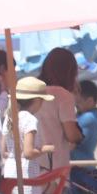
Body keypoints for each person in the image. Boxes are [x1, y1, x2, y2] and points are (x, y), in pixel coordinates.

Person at [35, 48, 84, 176]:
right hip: (54, 171)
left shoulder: (31, 93)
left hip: (31, 170)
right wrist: (80, 135)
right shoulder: (62, 95)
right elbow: (71, 135)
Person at [71, 81, 97, 162]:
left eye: (78, 104)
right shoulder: (87, 115)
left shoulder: (88, 118)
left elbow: (70, 144)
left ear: (90, 101)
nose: (75, 106)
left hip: (81, 168)